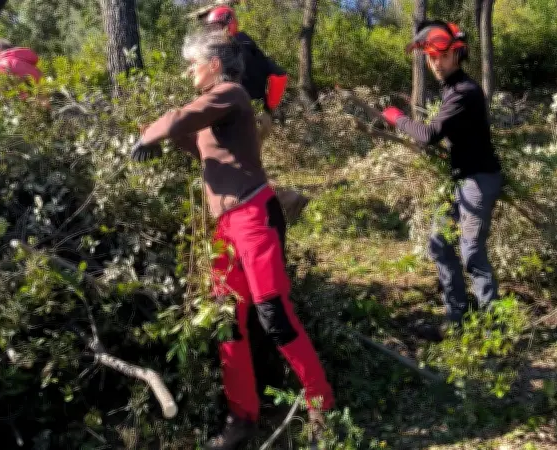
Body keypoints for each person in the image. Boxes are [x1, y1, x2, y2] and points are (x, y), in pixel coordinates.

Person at [131, 31, 333, 450]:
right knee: (227, 321)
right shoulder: (217, 108)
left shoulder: (231, 93)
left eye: (193, 62)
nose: (189, 69)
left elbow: (178, 118)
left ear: (215, 65)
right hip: (225, 226)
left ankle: (321, 406)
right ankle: (242, 418)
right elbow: (200, 147)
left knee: (272, 313)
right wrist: (155, 136)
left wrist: (154, 131)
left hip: (254, 216)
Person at [380, 21, 504, 334]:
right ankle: (457, 318)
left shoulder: (464, 92)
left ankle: (496, 329)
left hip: (479, 180)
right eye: (431, 58)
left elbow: (429, 135)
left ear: (456, 55)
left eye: (442, 56)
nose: (436, 63)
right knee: (439, 244)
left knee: (471, 251)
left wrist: (398, 119)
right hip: (461, 178)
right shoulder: (453, 90)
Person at [198, 4, 310, 225]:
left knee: (244, 174)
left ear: (229, 23)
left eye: (217, 26)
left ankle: (288, 202)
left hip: (243, 121)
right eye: (212, 28)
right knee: (248, 170)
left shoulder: (230, 51)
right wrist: (268, 109)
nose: (214, 32)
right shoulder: (250, 45)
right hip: (259, 117)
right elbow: (279, 77)